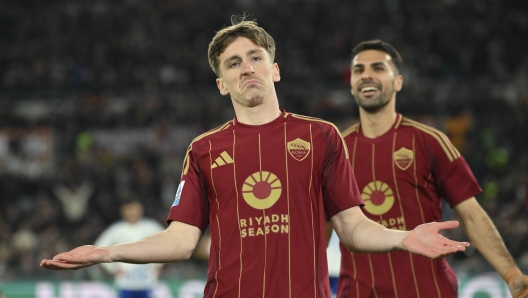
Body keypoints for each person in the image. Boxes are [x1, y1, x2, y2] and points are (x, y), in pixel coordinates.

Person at [40, 17, 471, 298]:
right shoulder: (204, 150)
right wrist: (107, 253)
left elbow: (353, 227)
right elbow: (181, 240)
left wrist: (403, 237)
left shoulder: (320, 136)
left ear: (274, 69)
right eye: (233, 64)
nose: (246, 68)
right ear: (222, 84)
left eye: (255, 58)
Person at [337, 39, 528, 298]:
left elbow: (471, 215)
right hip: (359, 293)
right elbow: (322, 230)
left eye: (378, 68)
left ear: (398, 82)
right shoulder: (335, 151)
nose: (366, 75)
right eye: (359, 70)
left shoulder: (430, 141)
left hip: (427, 291)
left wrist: (512, 275)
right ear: (351, 83)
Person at [94, 200, 164, 298]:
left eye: (134, 208)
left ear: (140, 209)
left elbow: (166, 244)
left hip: (148, 281)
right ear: (122, 211)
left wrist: (159, 264)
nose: (132, 212)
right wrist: (112, 269)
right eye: (128, 209)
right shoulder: (116, 230)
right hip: (125, 282)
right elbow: (99, 248)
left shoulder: (151, 227)